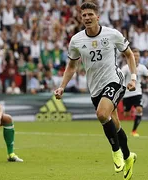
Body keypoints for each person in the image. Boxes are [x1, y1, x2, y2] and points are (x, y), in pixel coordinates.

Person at [54, 2, 137, 180]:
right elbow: (71, 66)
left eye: (90, 14)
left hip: (115, 80)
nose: (87, 18)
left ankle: (116, 153)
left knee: (101, 114)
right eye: (84, 15)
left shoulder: (112, 34)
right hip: (95, 88)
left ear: (98, 16)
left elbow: (129, 54)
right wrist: (62, 86)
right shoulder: (76, 40)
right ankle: (129, 157)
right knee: (114, 123)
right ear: (81, 17)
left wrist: (133, 78)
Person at [121, 49, 148, 137]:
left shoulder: (142, 67)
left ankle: (134, 131)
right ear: (131, 56)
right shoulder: (125, 68)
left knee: (139, 109)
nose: (136, 57)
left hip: (137, 92)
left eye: (138, 56)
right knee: (126, 114)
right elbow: (120, 77)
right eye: (134, 56)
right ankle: (128, 111)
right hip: (127, 94)